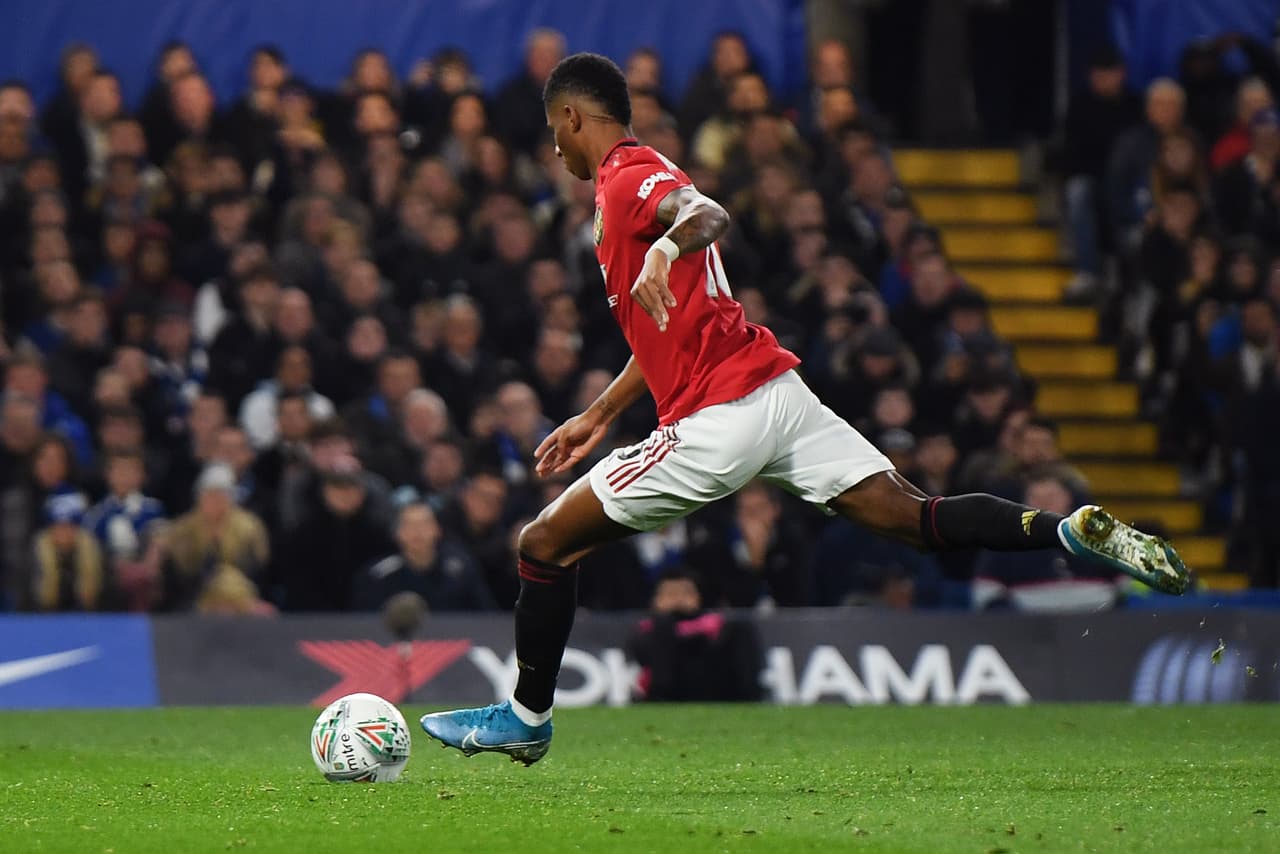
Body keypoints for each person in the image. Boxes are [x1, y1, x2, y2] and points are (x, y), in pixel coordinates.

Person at [420, 54, 1191, 765]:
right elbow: (662, 331)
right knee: (912, 518)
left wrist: (663, 247)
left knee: (544, 543)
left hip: (718, 423)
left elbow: (706, 213)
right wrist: (601, 412)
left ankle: (526, 717)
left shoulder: (628, 174)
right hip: (778, 398)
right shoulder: (623, 186)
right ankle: (1063, 530)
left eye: (554, 128)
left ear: (573, 119)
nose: (552, 146)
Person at [626, 566, 763, 702]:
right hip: (666, 692)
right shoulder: (645, 629)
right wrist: (678, 631)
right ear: (656, 600)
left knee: (741, 628)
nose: (678, 599)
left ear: (698, 597)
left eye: (686, 593)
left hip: (711, 690)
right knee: (663, 627)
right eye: (671, 594)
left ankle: (751, 702)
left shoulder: (716, 625)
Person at [353, 502, 493, 612]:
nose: (417, 532)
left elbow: (485, 616)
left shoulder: (461, 571)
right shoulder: (378, 576)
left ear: (437, 530)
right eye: (409, 525)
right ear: (397, 533)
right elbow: (360, 624)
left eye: (424, 524)